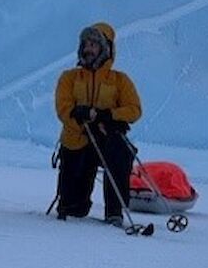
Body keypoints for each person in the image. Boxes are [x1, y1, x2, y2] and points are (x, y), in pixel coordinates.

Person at [53, 22, 142, 224]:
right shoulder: (69, 78)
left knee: (120, 152)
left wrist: (109, 116)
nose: (88, 49)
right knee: (75, 210)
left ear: (106, 48)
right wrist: (82, 119)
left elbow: (134, 110)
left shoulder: (120, 80)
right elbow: (63, 110)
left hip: (106, 139)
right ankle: (72, 203)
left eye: (94, 44)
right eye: (86, 44)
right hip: (77, 141)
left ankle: (114, 211)